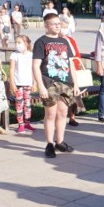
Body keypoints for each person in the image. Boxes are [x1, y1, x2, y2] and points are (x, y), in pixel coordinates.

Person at [33, 12, 80, 158]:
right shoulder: (41, 42)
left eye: (59, 24)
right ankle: (49, 144)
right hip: (49, 82)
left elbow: (71, 63)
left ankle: (60, 141)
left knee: (62, 113)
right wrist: (40, 85)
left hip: (65, 82)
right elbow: (35, 65)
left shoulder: (65, 41)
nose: (57, 26)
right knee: (50, 114)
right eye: (54, 24)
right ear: (46, 26)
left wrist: (76, 84)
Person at [9, 34, 36, 134]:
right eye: (16, 43)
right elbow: (11, 70)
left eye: (19, 42)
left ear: (26, 43)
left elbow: (34, 70)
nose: (17, 45)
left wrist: (34, 83)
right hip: (18, 84)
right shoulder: (14, 55)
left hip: (28, 83)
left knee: (28, 104)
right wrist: (12, 83)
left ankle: (27, 122)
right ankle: (20, 124)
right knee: (19, 104)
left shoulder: (31, 55)